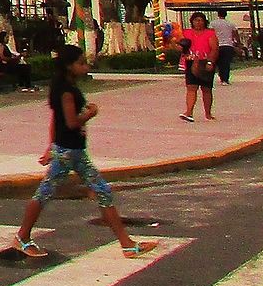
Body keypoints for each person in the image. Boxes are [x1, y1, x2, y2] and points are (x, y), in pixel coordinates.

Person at [14, 45, 158, 260]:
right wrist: (90, 113)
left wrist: (51, 145)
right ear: (69, 66)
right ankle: (22, 237)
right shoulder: (67, 91)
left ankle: (127, 244)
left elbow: (57, 119)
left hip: (73, 151)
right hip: (69, 153)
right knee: (46, 193)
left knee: (100, 192)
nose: (85, 66)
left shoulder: (65, 87)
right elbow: (71, 122)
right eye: (81, 63)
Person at [178, 12, 217, 121]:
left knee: (206, 89)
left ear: (204, 22)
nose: (198, 23)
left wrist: (211, 62)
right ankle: (189, 112)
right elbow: (179, 46)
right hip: (191, 61)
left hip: (205, 62)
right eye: (196, 20)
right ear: (192, 22)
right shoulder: (186, 33)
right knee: (191, 87)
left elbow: (214, 49)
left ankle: (208, 114)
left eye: (200, 20)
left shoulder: (210, 33)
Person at [207, 9, 237, 85]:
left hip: (216, 45)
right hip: (228, 45)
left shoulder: (213, 23)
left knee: (215, 62)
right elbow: (235, 33)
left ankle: (211, 78)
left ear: (218, 14)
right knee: (226, 63)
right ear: (226, 15)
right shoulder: (230, 23)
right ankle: (225, 79)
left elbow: (210, 33)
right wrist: (237, 43)